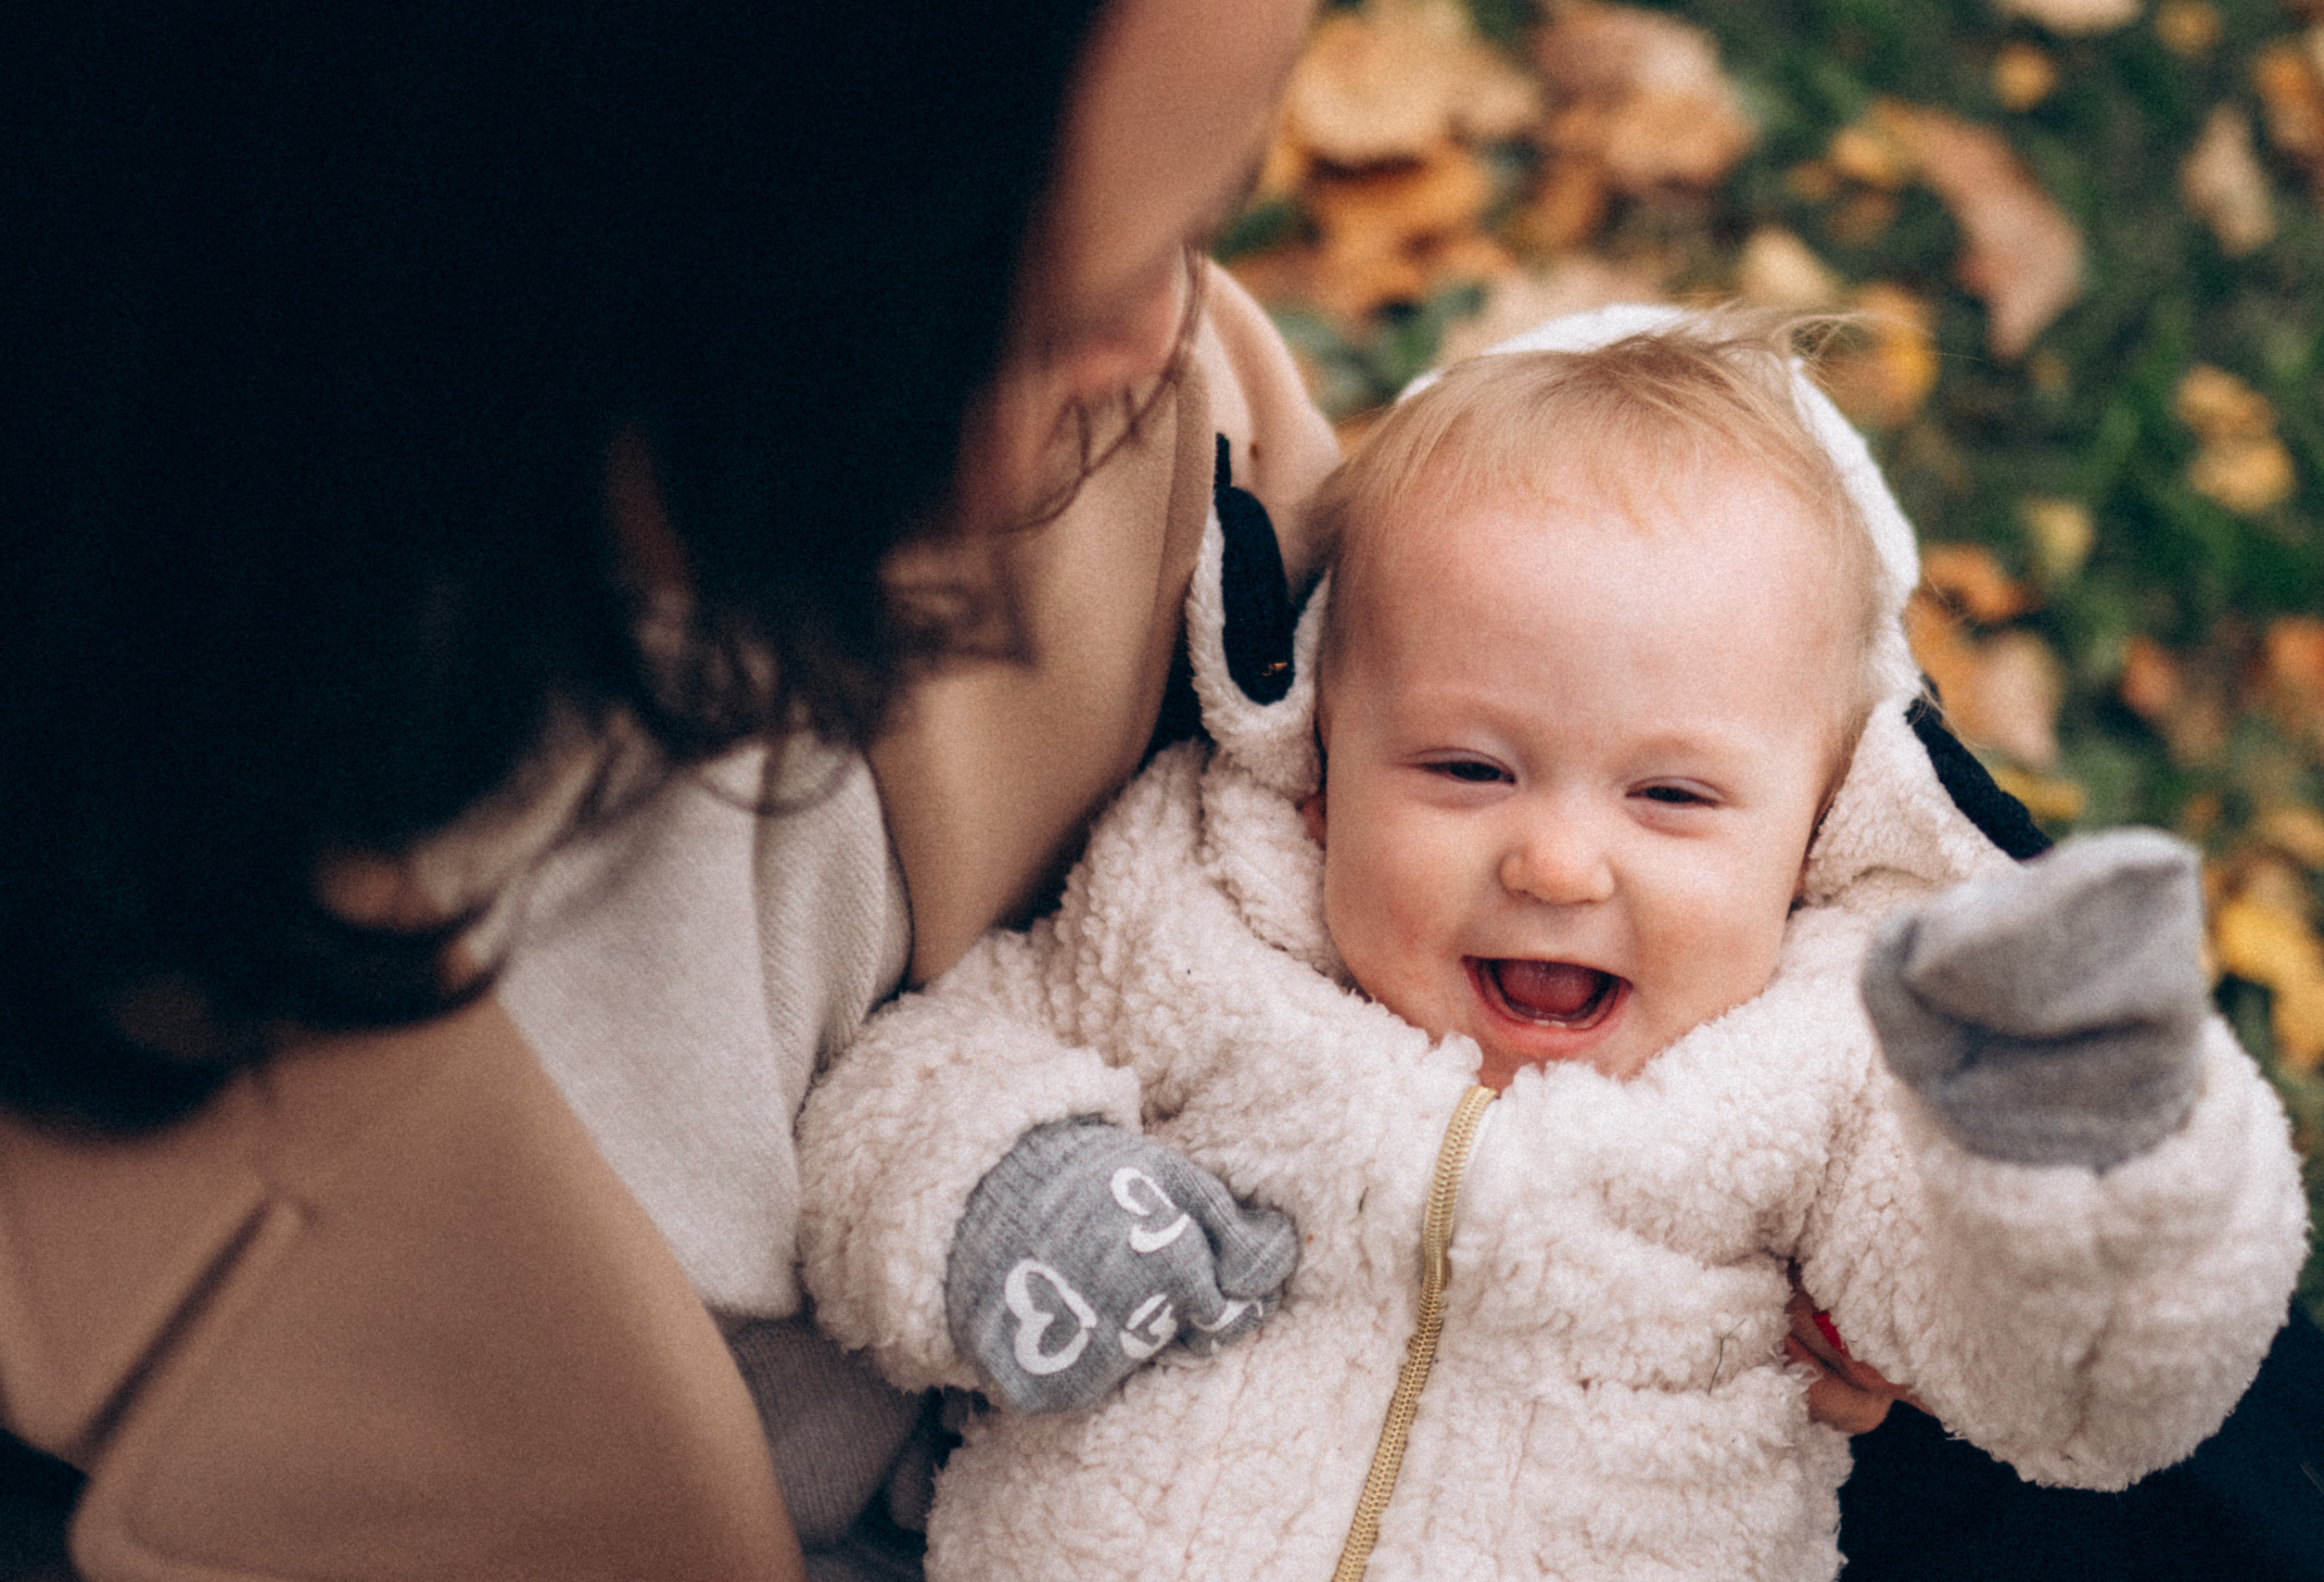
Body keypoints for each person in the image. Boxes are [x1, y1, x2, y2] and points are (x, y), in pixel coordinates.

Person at [0, 2, 1329, 1577]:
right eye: (1044, 305)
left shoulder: (1130, 420)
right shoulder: (101, 899)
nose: (1163, 339)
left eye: (1201, 227)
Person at [795, 308, 2309, 1579]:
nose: (1556, 857)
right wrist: (1003, 1190)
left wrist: (2083, 1163)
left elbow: (2086, 1389)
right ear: (1319, 769)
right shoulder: (1202, 921)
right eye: (1466, 770)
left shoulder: (1819, 1071)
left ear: (1815, 834)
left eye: (1671, 795)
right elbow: (909, 1087)